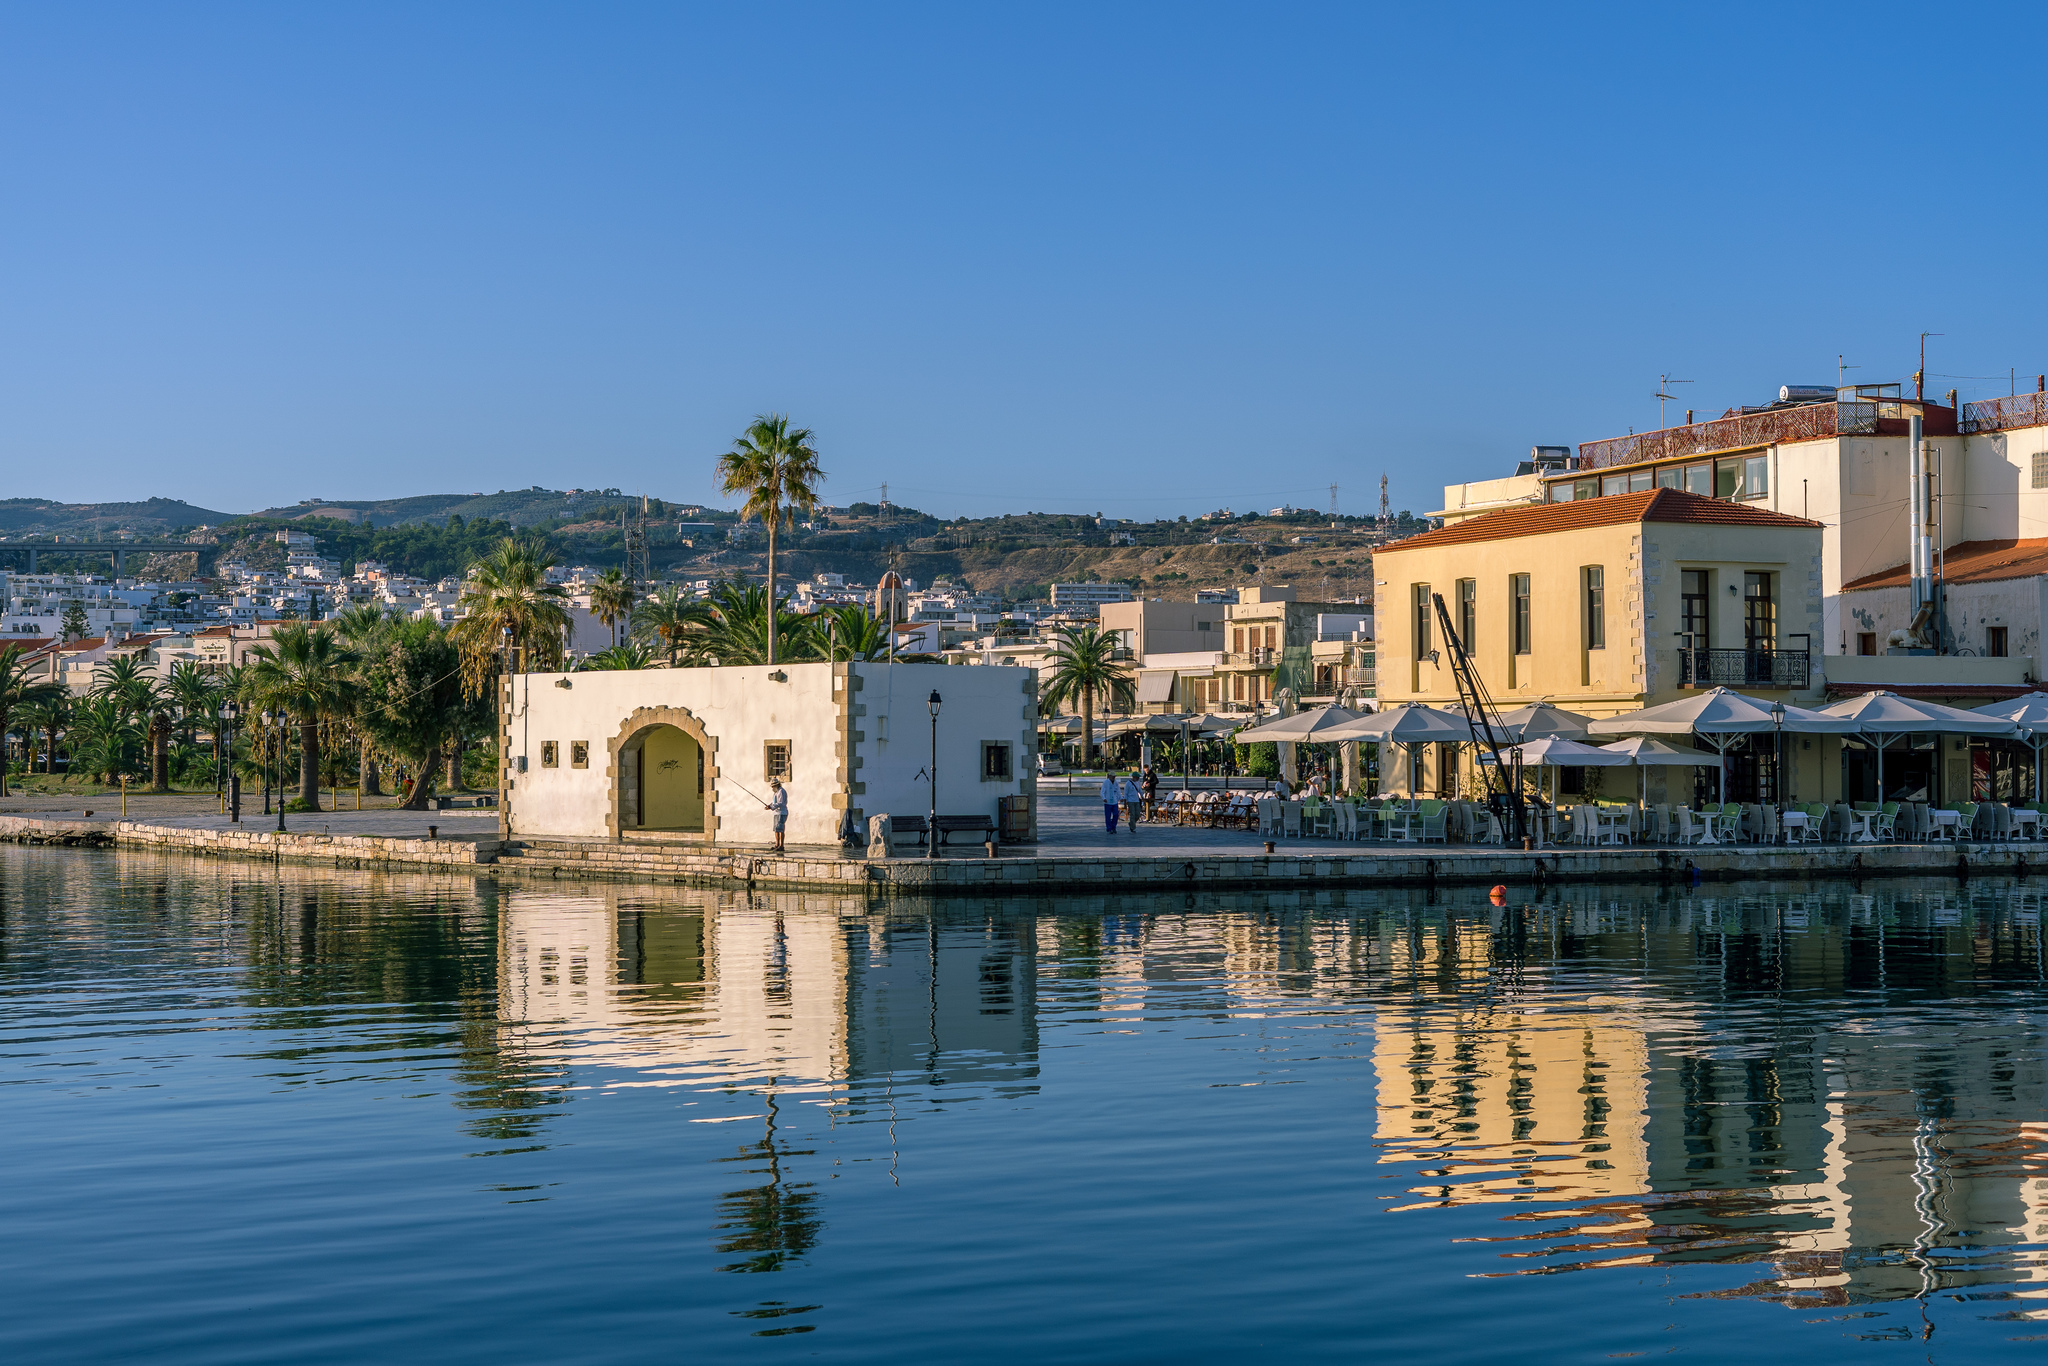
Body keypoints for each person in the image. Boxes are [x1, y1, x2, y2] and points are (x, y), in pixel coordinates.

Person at [763, 777, 788, 851]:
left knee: (781, 829)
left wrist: (771, 806)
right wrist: (769, 806)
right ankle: (777, 844)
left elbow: (780, 803)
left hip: (781, 812)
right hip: (776, 813)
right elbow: (774, 803)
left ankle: (781, 845)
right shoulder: (775, 793)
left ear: (777, 785)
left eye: (773, 786)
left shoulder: (781, 791)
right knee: (776, 829)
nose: (772, 787)